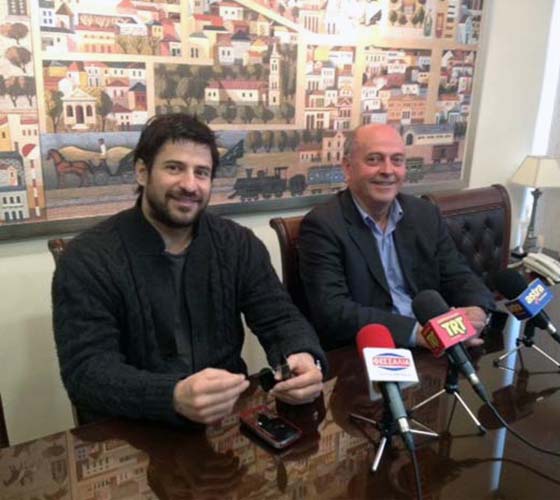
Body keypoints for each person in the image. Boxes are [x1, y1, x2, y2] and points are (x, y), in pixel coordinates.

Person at [52, 114, 326, 426]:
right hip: (131, 430)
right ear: (142, 172)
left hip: (225, 422)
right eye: (174, 168)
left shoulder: (238, 244)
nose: (189, 185)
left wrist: (303, 357)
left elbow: (279, 318)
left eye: (202, 172)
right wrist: (171, 395)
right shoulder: (87, 258)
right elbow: (85, 372)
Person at [298, 124, 496, 351]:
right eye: (374, 159)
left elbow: (458, 274)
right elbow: (334, 311)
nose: (387, 170)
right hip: (372, 351)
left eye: (397, 160)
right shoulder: (323, 225)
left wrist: (477, 310)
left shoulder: (424, 213)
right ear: (347, 167)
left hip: (437, 345)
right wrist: (419, 334)